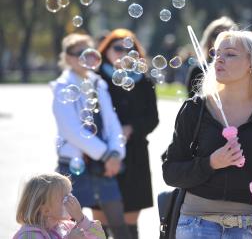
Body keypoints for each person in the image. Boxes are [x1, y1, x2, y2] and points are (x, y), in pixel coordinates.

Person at [163, 30, 252, 239]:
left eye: (230, 54)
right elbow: (171, 171)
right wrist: (211, 162)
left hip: (251, 227)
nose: (219, 59)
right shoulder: (195, 109)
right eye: (216, 53)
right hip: (195, 223)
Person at [51, 33, 131, 238]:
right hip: (73, 165)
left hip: (105, 165)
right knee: (66, 223)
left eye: (88, 53)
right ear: (67, 58)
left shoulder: (99, 84)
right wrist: (106, 155)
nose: (85, 58)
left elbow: (112, 124)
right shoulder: (61, 87)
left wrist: (115, 154)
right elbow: (72, 130)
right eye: (79, 53)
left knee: (118, 223)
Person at [97, 28, 159, 239]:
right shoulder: (96, 79)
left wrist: (131, 128)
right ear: (106, 51)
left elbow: (153, 119)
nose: (123, 53)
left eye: (128, 49)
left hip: (134, 155)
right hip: (102, 154)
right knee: (99, 224)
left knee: (129, 224)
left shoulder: (144, 82)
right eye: (117, 48)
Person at [13, 172, 106, 239]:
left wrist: (81, 218)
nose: (72, 200)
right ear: (46, 210)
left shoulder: (66, 226)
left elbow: (101, 237)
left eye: (70, 194)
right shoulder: (29, 235)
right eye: (65, 197)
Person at [186, 16, 236, 97]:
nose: (221, 40)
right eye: (216, 35)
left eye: (228, 36)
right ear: (209, 39)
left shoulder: (242, 72)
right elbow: (192, 103)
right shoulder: (198, 71)